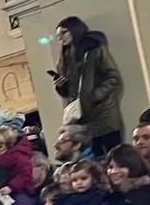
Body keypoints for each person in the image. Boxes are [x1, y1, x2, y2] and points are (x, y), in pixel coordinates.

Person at [52, 16, 124, 154]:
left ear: (75, 30)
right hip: (82, 120)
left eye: (64, 33)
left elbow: (113, 78)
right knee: (92, 162)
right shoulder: (64, 59)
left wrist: (93, 96)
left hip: (104, 115)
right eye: (58, 36)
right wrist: (61, 86)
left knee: (114, 156)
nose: (60, 38)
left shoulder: (94, 50)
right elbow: (70, 92)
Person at [0, 126, 37, 197]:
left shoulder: (19, 157)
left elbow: (25, 175)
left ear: (1, 147)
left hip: (20, 192)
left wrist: (11, 187)